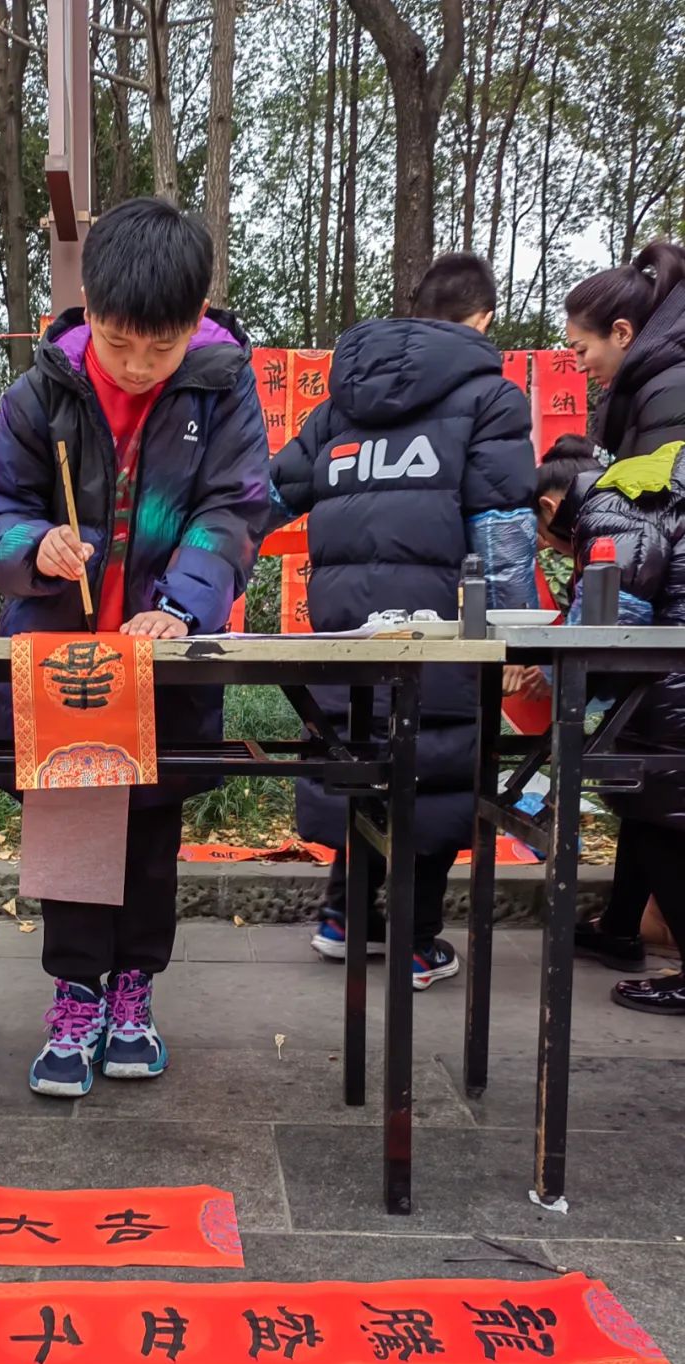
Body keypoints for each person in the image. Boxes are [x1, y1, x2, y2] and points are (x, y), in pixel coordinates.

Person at [0, 198, 270, 1095]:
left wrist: (180, 606)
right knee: (70, 825)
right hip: (64, 658)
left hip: (162, 660)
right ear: (88, 304)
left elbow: (235, 507)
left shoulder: (221, 388)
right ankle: (75, 994)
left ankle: (133, 988)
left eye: (160, 347)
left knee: (150, 828)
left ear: (196, 321)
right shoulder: (42, 390)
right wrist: (35, 548)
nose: (137, 367)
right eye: (120, 341)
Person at [271, 252, 538, 989]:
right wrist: (522, 638)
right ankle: (416, 943)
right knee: (436, 773)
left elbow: (266, 495)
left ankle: (342, 920)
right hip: (441, 634)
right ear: (483, 318)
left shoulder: (341, 404)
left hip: (344, 638)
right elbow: (504, 534)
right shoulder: (491, 398)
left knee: (360, 761)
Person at [535, 433, 685, 1009]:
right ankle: (621, 928)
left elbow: (609, 629)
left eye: (552, 545)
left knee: (659, 808)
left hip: (673, 678)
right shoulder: (635, 486)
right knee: (650, 805)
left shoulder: (611, 506)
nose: (557, 550)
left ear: (549, 510)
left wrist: (550, 679)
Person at [565, 241, 685, 460]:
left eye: (581, 350)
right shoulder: (641, 389)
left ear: (622, 333)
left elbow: (658, 491)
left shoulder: (671, 391)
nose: (579, 366)